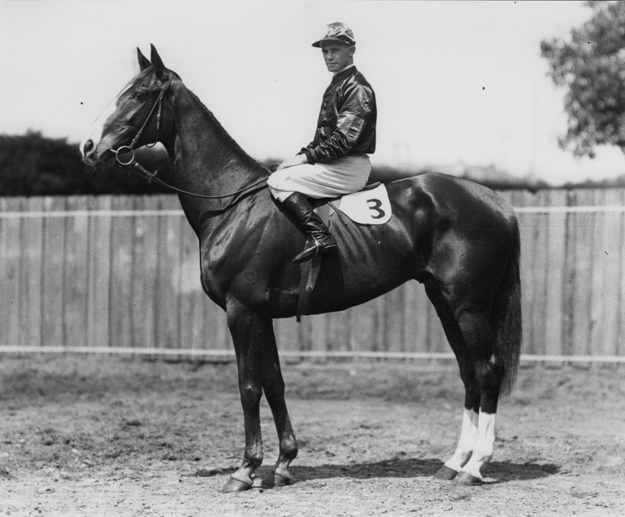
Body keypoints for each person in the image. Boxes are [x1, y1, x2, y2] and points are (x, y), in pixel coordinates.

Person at [268, 22, 377, 263]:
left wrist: (304, 158)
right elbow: (323, 139)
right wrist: (296, 157)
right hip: (336, 163)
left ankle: (321, 236)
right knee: (281, 170)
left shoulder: (357, 88)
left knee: (277, 181)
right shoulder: (338, 83)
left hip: (348, 166)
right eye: (325, 51)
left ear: (352, 50)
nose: (329, 56)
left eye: (335, 50)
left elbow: (342, 142)